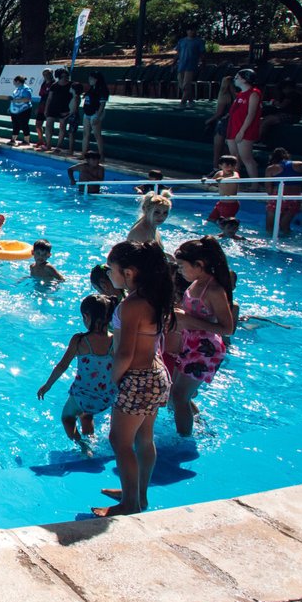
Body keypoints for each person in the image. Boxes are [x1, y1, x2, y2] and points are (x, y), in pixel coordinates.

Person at [95, 241, 174, 517]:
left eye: (111, 269)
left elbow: (125, 353)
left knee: (119, 440)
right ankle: (138, 493)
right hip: (155, 374)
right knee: (144, 437)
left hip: (137, 378)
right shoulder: (153, 297)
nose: (108, 274)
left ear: (128, 273)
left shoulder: (131, 305)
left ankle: (130, 503)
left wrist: (113, 380)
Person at [169, 237, 236, 437]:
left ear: (199, 265)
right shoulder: (196, 283)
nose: (180, 270)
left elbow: (227, 328)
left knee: (179, 396)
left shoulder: (213, 290)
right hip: (190, 345)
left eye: (182, 266)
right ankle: (197, 424)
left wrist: (188, 320)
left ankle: (184, 438)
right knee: (175, 393)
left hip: (205, 350)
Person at [36, 294, 117, 456]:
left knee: (67, 418)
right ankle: (92, 440)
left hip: (82, 396)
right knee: (86, 415)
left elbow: (62, 365)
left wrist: (47, 385)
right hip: (106, 398)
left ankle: (83, 446)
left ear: (86, 317)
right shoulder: (116, 340)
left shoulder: (79, 340)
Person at [263, 148, 302, 235]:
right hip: (294, 198)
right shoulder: (299, 164)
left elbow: (268, 189)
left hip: (278, 197)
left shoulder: (271, 169)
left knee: (270, 227)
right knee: (284, 226)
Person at [224, 68, 262, 177]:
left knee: (246, 158)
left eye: (237, 77)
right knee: (234, 158)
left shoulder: (254, 93)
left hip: (245, 129)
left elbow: (251, 114)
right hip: (234, 128)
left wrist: (242, 131)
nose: (235, 79)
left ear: (245, 80)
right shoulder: (240, 94)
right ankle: (235, 182)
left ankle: (255, 184)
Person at [203, 75, 240, 166]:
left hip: (223, 123)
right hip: (233, 123)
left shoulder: (224, 95)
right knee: (228, 149)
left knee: (217, 149)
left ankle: (215, 167)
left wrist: (209, 121)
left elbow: (219, 113)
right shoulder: (237, 96)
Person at [80, 71, 110, 158]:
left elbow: (102, 104)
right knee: (85, 134)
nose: (89, 80)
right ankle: (84, 153)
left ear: (96, 79)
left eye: (91, 79)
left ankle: (101, 155)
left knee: (97, 135)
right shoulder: (91, 89)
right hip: (87, 113)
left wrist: (97, 116)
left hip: (95, 113)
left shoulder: (102, 90)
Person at [174, 28, 205, 107]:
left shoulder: (199, 41)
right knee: (181, 85)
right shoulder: (181, 41)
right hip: (181, 65)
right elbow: (178, 53)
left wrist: (202, 64)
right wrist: (173, 63)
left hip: (191, 65)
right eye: (190, 30)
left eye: (193, 30)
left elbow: (202, 54)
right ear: (187, 31)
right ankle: (191, 100)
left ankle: (182, 103)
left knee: (186, 84)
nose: (191, 31)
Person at [206, 155, 242, 222]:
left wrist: (224, 179)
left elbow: (236, 178)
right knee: (211, 219)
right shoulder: (219, 173)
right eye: (227, 165)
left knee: (226, 224)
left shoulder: (234, 174)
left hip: (230, 204)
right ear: (220, 166)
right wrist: (205, 180)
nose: (230, 168)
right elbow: (211, 183)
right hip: (220, 203)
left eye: (232, 165)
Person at [6, 75, 34, 146]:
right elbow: (13, 99)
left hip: (24, 109)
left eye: (14, 81)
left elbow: (28, 99)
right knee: (15, 124)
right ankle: (13, 140)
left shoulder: (26, 89)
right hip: (15, 110)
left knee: (24, 124)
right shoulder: (17, 89)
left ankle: (26, 140)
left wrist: (16, 100)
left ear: (18, 81)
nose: (13, 83)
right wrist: (10, 107)